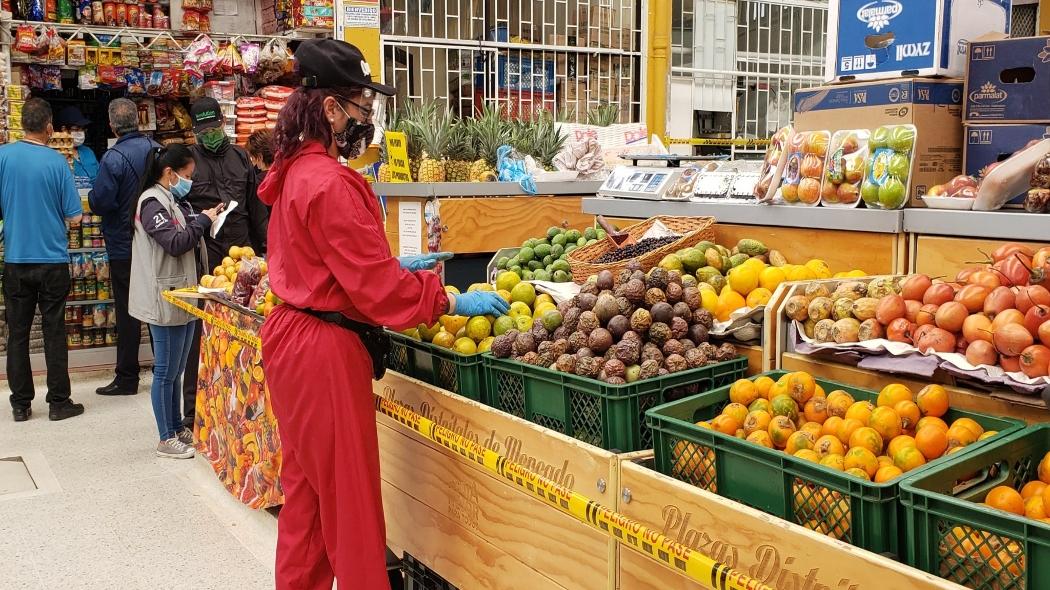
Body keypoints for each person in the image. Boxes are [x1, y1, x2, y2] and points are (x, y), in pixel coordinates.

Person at [259, 38, 508, 589]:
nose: (365, 124)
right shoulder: (332, 182)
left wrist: (390, 262)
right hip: (324, 351)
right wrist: (444, 297)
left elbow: (324, 259)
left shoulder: (296, 170)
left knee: (307, 497)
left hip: (289, 338)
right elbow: (378, 292)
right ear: (330, 108)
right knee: (350, 506)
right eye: (362, 111)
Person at [128, 144, 223, 458]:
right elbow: (174, 242)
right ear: (169, 173)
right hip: (165, 298)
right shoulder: (152, 203)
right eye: (186, 175)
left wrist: (205, 219)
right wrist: (203, 223)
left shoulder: (172, 201)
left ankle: (176, 428)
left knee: (178, 369)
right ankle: (165, 437)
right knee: (166, 372)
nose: (189, 181)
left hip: (182, 296)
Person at [181, 98, 269, 431]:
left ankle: (242, 406)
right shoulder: (188, 162)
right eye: (204, 131)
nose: (211, 135)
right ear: (195, 131)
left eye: (215, 128)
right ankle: (193, 411)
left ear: (223, 123)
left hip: (244, 262)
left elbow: (257, 208)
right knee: (200, 336)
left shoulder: (240, 159)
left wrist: (265, 252)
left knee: (243, 335)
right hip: (207, 262)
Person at [0, 98, 85, 422]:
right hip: (52, 260)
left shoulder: (3, 157)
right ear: (49, 127)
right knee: (54, 331)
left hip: (16, 259)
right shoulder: (57, 163)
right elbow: (75, 217)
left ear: (23, 124)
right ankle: (59, 402)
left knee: (17, 334)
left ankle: (21, 405)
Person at [89, 98, 162, 397]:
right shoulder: (157, 150)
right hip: (157, 241)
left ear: (111, 125)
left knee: (128, 310)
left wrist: (92, 199)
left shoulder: (113, 158)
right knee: (159, 305)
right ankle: (164, 369)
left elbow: (101, 201)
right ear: (139, 120)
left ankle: (127, 377)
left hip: (124, 244)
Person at [56, 105, 100, 189]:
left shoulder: (88, 152)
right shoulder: (57, 155)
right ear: (64, 129)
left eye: (82, 129)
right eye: (76, 129)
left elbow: (100, 178)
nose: (80, 132)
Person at [246, 129, 274, 213]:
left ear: (260, 157)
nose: (252, 161)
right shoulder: (284, 175)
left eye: (252, 156)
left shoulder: (257, 182)